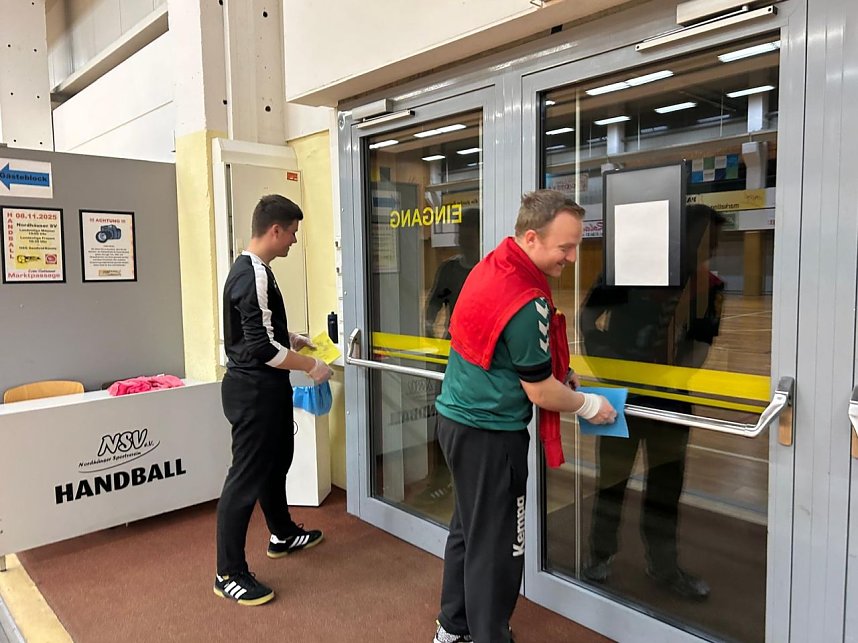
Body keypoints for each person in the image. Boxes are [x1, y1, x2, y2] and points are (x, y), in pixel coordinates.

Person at [433, 190, 617, 643]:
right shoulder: (523, 295)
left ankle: (453, 629)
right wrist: (590, 404)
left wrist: (561, 372)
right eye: (565, 247)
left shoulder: (495, 263)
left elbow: (514, 356)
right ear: (532, 237)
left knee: (467, 531)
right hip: (491, 436)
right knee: (499, 549)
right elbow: (539, 391)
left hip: (456, 422)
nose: (572, 258)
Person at [580, 204, 726, 600]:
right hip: (615, 396)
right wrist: (607, 372)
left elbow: (699, 346)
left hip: (671, 403)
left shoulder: (709, 286)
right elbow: (588, 320)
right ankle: (599, 555)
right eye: (708, 237)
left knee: (666, 488)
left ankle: (664, 566)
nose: (714, 246)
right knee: (610, 482)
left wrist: (671, 383)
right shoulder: (628, 270)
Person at [214, 194, 334, 606]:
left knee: (276, 461)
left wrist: (292, 339)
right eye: (293, 234)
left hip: (267, 388)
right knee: (245, 478)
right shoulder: (253, 274)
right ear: (275, 230)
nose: (294, 242)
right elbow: (263, 350)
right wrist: (310, 365)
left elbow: (260, 333)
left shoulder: (258, 271)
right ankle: (227, 572)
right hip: (253, 390)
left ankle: (282, 534)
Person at [416, 208, 481, 506]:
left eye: (470, 232)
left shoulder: (487, 270)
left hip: (483, 362)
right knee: (444, 420)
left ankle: (472, 483)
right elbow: (431, 310)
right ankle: (440, 480)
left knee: (477, 425)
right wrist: (434, 344)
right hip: (451, 357)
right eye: (461, 232)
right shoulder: (449, 269)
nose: (464, 238)